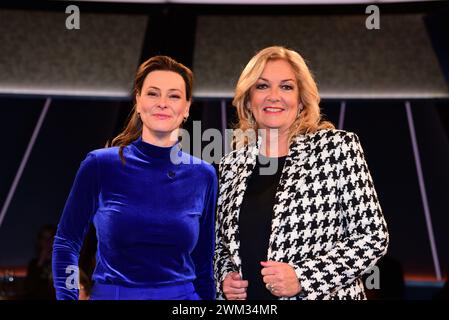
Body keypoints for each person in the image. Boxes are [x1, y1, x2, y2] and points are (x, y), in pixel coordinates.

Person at [214, 46, 389, 300]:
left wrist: (304, 277)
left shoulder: (336, 148)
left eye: (286, 87)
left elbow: (373, 236)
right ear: (249, 101)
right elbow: (220, 245)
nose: (274, 96)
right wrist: (225, 276)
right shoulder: (230, 166)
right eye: (262, 86)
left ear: (301, 100)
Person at [52, 55, 217, 300]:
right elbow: (67, 242)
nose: (162, 103)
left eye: (173, 95)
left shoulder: (203, 175)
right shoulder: (100, 165)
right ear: (138, 102)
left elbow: (204, 262)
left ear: (186, 107)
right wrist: (67, 297)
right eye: (153, 93)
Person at [23, 224, 57, 299]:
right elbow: (29, 288)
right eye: (44, 238)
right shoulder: (34, 264)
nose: (47, 241)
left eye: (50, 237)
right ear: (40, 241)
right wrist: (41, 261)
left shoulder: (61, 263)